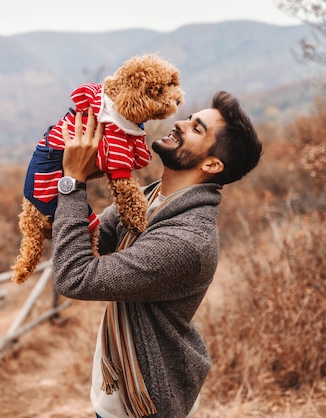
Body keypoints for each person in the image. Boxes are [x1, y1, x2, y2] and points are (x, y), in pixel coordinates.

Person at [51, 91, 263, 418]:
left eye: (196, 128)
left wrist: (73, 181)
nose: (178, 123)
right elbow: (92, 236)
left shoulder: (187, 240)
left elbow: (74, 277)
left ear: (212, 164)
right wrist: (78, 164)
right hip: (117, 388)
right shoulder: (151, 198)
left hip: (143, 402)